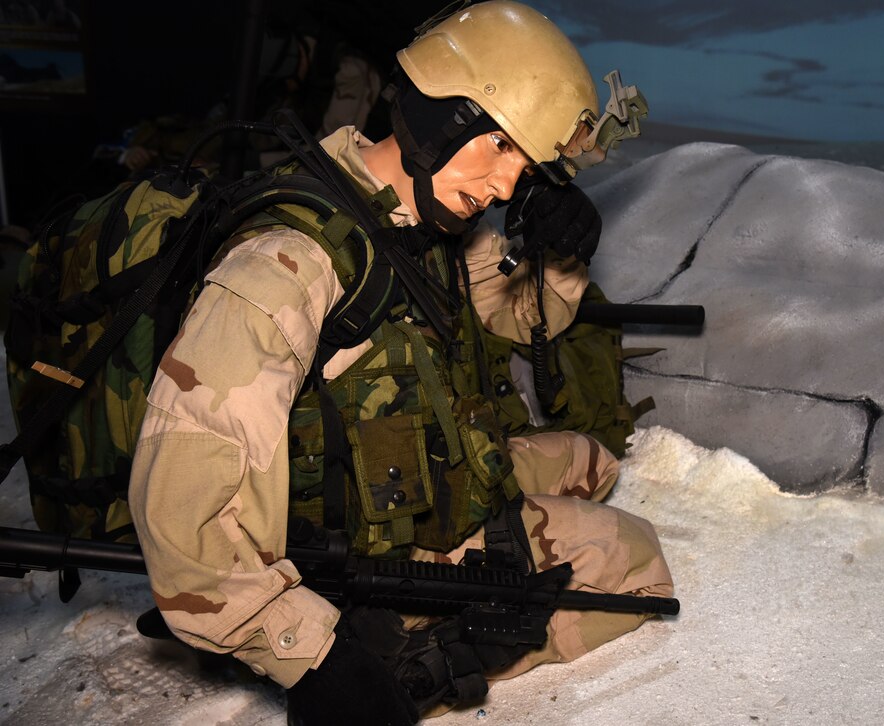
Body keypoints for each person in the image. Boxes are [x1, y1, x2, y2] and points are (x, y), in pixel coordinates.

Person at [128, 2, 672, 723]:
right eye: (501, 148)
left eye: (524, 165)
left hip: (411, 472)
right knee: (639, 566)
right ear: (446, 115)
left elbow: (519, 318)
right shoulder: (286, 267)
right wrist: (313, 657)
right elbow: (179, 502)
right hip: (352, 529)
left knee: (592, 462)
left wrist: (560, 250)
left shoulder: (418, 219)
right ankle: (405, 665)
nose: (506, 187)